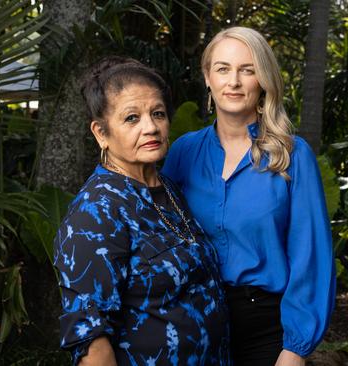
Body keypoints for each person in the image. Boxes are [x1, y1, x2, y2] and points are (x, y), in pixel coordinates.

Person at [163, 27, 336, 366]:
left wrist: (295, 348)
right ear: (207, 77)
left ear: (263, 79)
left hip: (266, 329)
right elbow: (160, 237)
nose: (234, 82)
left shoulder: (292, 156)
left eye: (248, 69)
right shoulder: (184, 153)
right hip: (193, 321)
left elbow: (311, 256)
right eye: (223, 69)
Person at [53, 57, 230, 366]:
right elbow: (91, 340)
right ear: (101, 133)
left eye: (157, 114)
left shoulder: (169, 189)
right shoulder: (95, 212)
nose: (150, 127)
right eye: (132, 118)